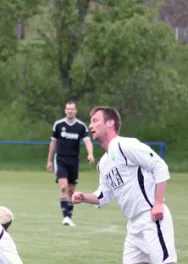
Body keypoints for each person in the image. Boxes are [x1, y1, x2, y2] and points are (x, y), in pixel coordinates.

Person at [72, 106, 177, 264]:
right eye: (90, 122)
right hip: (134, 227)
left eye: (95, 121)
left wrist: (158, 203)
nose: (90, 126)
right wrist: (84, 197)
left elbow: (159, 166)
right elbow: (104, 196)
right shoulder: (104, 164)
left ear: (110, 123)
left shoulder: (124, 145)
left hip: (151, 218)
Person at [46, 101, 94, 226]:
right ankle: (65, 217)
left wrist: (90, 153)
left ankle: (69, 216)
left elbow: (87, 141)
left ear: (76, 111)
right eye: (68, 109)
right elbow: (53, 143)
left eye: (72, 109)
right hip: (61, 159)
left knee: (72, 190)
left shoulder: (81, 126)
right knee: (63, 187)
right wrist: (49, 160)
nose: (70, 111)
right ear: (65, 110)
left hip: (74, 161)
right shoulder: (58, 125)